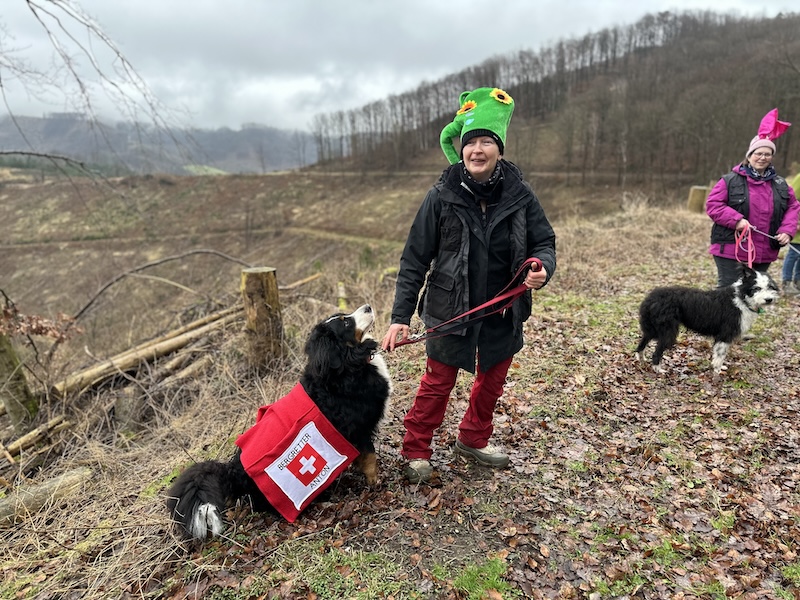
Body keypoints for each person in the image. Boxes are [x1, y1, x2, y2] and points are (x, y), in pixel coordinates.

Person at [380, 87, 556, 484]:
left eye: (486, 142)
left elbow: (544, 241)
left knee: (491, 381)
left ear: (499, 149)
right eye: (470, 142)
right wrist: (399, 317)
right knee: (436, 384)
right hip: (449, 307)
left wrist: (541, 267)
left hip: (503, 308)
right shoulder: (440, 196)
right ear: (461, 150)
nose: (477, 150)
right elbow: (414, 258)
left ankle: (473, 439)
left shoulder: (520, 194)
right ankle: (416, 450)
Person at [706, 108, 799, 288]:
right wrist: (737, 221)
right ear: (749, 155)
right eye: (758, 153)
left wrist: (787, 231)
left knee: (753, 295)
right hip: (731, 248)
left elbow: (793, 207)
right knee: (728, 293)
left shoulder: (781, 184)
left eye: (767, 154)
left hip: (765, 250)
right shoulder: (730, 180)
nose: (762, 157)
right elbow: (713, 205)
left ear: (772, 157)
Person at [781, 172, 800, 295]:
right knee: (793, 253)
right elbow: (792, 200)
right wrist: (795, 222)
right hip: (797, 226)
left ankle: (798, 281)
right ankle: (786, 282)